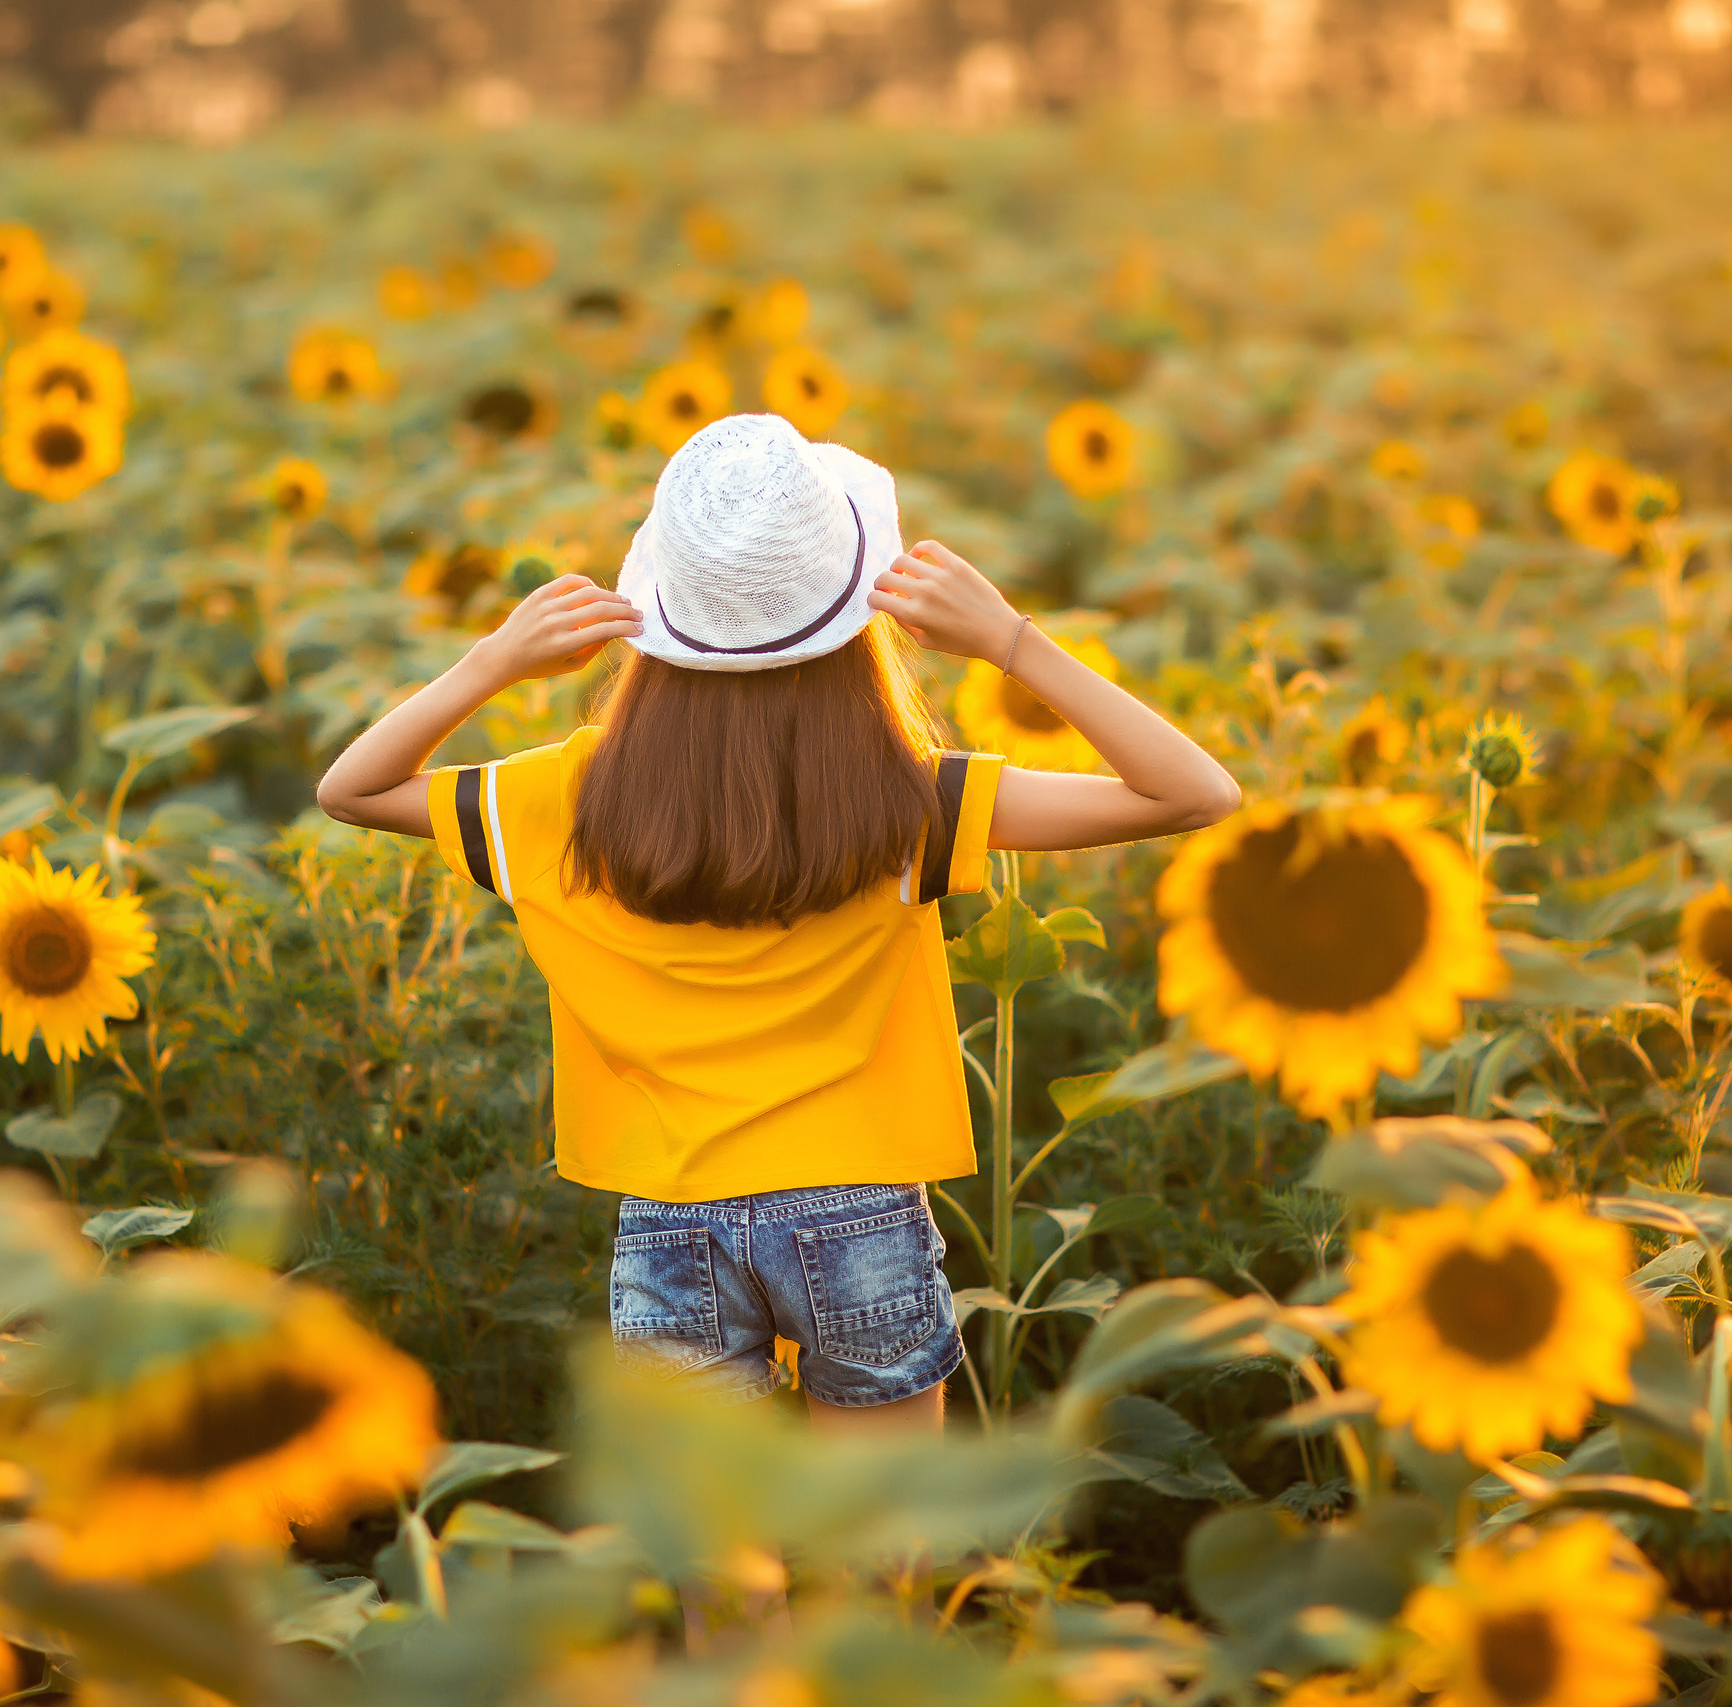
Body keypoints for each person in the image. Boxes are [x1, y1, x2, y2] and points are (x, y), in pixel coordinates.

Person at [317, 414, 1237, 1434]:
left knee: (723, 1573)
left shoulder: (563, 801)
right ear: (851, 620)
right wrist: (1010, 641)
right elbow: (1190, 795)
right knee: (881, 1564)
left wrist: (491, 662)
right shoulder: (905, 802)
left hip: (670, 1215)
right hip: (857, 1210)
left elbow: (351, 789)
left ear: (659, 614)